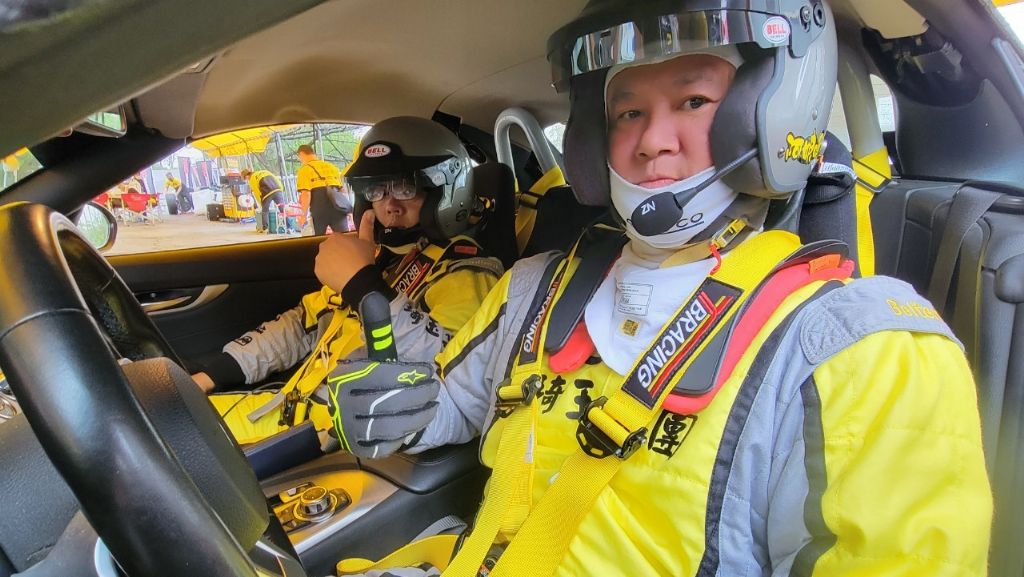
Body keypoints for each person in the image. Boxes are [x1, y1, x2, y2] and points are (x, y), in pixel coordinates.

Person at [323, 2, 992, 575]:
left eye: (694, 101)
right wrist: (396, 407)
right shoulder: (535, 288)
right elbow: (451, 405)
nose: (651, 142)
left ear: (767, 115)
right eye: (627, 112)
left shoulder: (863, 351)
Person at [198, 116, 504, 445]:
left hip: (340, 436)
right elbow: (300, 325)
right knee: (170, 410)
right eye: (376, 189)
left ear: (446, 190)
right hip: (290, 408)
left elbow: (449, 374)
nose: (390, 206)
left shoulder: (466, 273)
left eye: (406, 187)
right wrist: (210, 375)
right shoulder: (381, 258)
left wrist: (365, 287)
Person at [296, 143, 351, 235]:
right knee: (344, 237)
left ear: (301, 154)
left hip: (319, 208)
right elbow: (342, 190)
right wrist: (348, 210)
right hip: (337, 206)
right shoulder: (332, 167)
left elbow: (306, 194)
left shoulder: (304, 170)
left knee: (319, 239)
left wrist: (303, 215)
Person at [241, 168, 287, 232]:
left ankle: (265, 228)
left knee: (265, 211)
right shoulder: (265, 171)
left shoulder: (252, 178)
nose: (247, 180)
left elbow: (257, 192)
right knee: (283, 209)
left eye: (246, 178)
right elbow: (277, 180)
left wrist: (261, 202)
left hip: (266, 193)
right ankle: (288, 226)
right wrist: (281, 190)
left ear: (246, 176)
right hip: (277, 190)